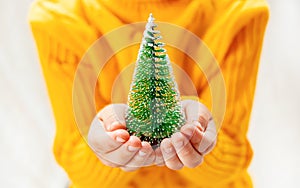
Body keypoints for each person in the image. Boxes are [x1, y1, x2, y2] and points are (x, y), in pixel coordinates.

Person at [29, 0, 269, 187]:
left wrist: (200, 140)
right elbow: (75, 160)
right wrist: (106, 149)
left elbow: (232, 156)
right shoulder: (58, 21)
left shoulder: (238, 14)